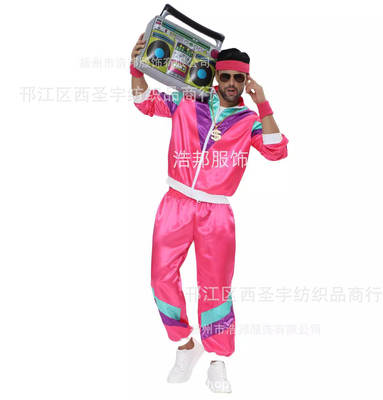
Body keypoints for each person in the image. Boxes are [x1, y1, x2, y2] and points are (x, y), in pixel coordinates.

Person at [131, 32, 289, 393]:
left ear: (246, 81)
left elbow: (276, 150)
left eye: (239, 78)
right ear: (216, 75)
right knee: (160, 278)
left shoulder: (249, 120)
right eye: (226, 75)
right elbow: (144, 102)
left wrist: (263, 103)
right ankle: (186, 345)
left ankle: (218, 360)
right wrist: (136, 66)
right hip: (176, 202)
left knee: (215, 287)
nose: (232, 83)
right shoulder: (188, 100)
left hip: (216, 213)